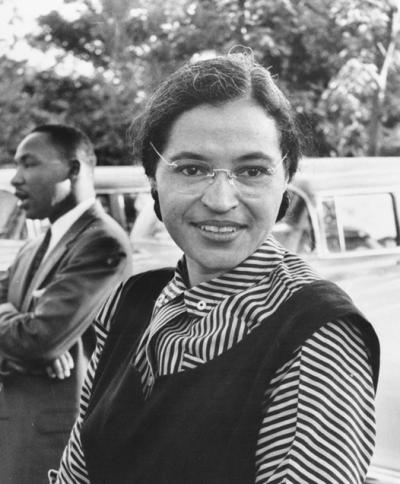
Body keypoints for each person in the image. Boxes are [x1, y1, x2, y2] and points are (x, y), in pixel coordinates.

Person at [51, 53, 379, 484]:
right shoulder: (132, 302)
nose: (222, 200)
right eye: (192, 168)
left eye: (252, 171)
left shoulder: (315, 333)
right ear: (153, 179)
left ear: (285, 183)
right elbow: (77, 473)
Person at [0, 124, 132, 484]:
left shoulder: (102, 243)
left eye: (29, 164)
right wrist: (18, 319)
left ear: (73, 170)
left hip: (56, 448)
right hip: (16, 436)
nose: (15, 181)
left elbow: (38, 341)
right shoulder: (35, 244)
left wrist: (32, 332)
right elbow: (34, 338)